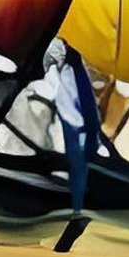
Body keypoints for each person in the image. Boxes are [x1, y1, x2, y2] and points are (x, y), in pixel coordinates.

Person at [45, 38, 98, 219]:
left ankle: (76, 209)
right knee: (74, 168)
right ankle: (73, 208)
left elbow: (85, 105)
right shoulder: (65, 69)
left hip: (72, 125)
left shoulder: (73, 71)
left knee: (77, 168)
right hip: (65, 124)